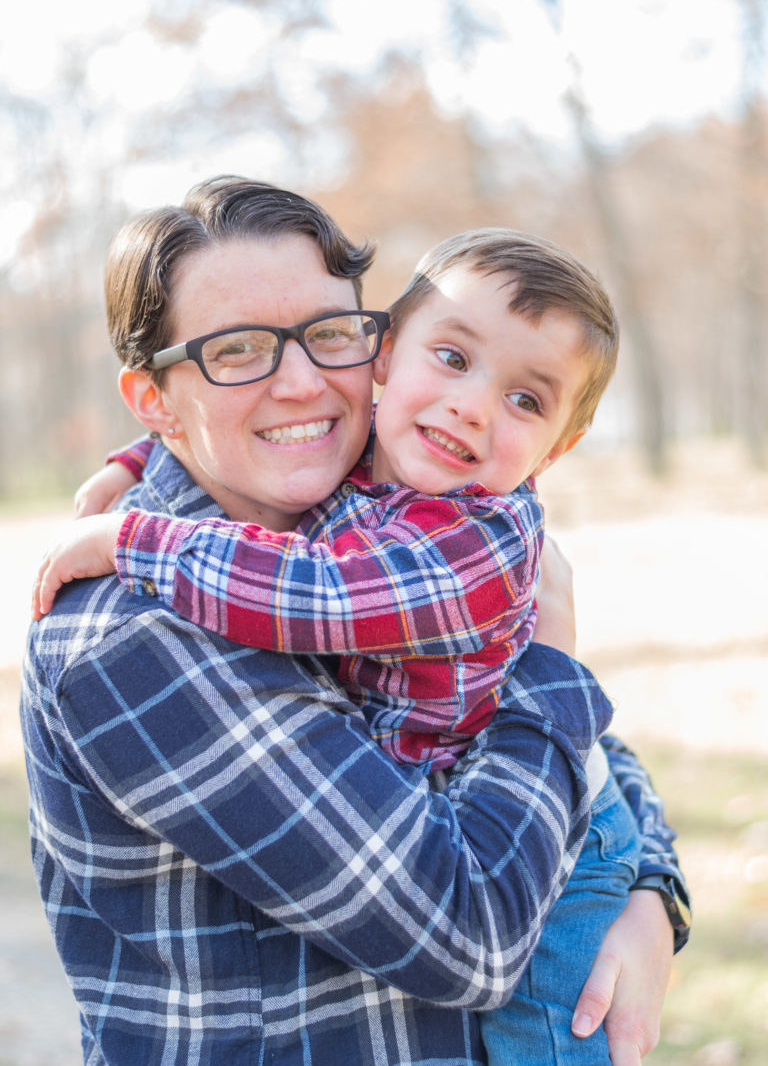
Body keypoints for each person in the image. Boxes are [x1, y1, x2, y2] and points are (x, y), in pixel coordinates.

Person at [22, 175, 689, 1066]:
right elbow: (474, 933)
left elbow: (575, 743)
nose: (304, 384)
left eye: (329, 334)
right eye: (238, 350)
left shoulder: (389, 504)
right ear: (153, 399)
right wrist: (551, 665)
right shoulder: (134, 637)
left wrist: (648, 890)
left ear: (373, 350)